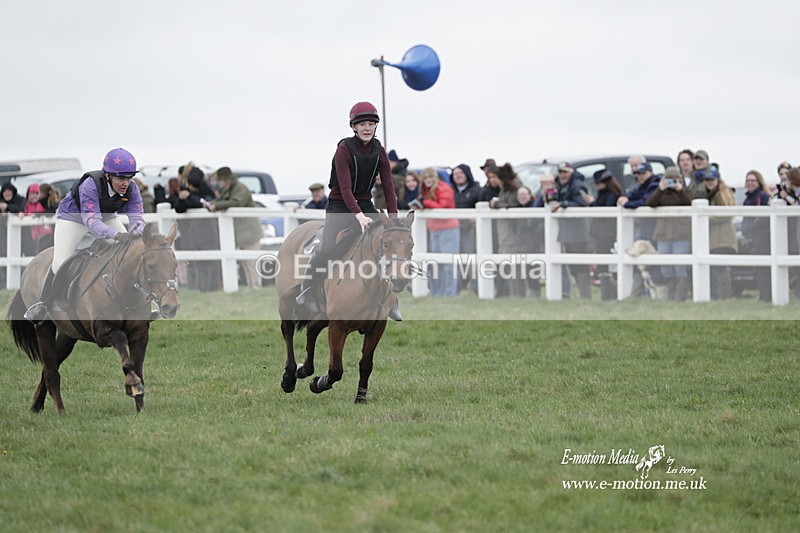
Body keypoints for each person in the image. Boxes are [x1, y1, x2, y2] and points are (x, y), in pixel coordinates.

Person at [296, 101, 402, 320]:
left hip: (365, 203)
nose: (367, 128)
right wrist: (359, 217)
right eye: (362, 124)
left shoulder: (379, 150)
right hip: (340, 205)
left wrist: (393, 218)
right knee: (326, 248)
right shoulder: (343, 149)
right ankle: (308, 291)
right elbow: (344, 189)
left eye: (371, 124)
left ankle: (392, 300)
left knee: (387, 244)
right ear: (353, 127)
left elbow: (389, 187)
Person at [24, 147, 146, 322]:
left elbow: (138, 219)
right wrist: (118, 236)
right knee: (60, 262)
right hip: (72, 219)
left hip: (105, 217)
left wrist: (135, 234)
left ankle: (135, 304)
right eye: (120, 178)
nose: (125, 183)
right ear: (108, 176)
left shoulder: (132, 189)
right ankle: (41, 305)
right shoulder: (90, 185)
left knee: (128, 253)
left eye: (129, 177)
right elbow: (94, 225)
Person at [205, 167, 263, 290]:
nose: (219, 184)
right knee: (245, 263)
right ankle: (251, 285)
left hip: (250, 231)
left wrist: (216, 206)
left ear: (226, 180)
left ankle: (256, 286)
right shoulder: (230, 189)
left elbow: (236, 203)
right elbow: (224, 201)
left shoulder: (240, 188)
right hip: (242, 232)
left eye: (220, 181)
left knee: (251, 262)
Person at [647, 166, 692, 300]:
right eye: (669, 179)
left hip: (681, 234)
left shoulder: (685, 192)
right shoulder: (661, 193)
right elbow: (650, 203)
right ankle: (670, 295)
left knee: (680, 266)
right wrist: (660, 189)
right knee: (665, 265)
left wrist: (680, 190)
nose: (671, 182)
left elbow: (690, 204)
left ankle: (680, 297)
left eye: (674, 179)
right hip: (663, 234)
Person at [692, 167, 737, 299]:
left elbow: (727, 214)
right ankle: (716, 295)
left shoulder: (723, 193)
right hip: (712, 237)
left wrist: (705, 217)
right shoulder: (708, 194)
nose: (709, 182)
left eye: (712, 180)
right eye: (707, 180)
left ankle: (724, 296)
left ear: (718, 180)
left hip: (723, 237)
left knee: (721, 268)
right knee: (714, 268)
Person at [552, 163, 592, 299]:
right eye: (560, 172)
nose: (562, 175)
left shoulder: (577, 185)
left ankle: (585, 295)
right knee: (572, 265)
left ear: (571, 173)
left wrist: (563, 204)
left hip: (578, 232)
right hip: (567, 232)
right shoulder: (560, 185)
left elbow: (582, 203)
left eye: (565, 172)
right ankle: (581, 294)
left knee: (580, 265)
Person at [418, 167, 459, 297]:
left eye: (430, 177)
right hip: (434, 229)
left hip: (448, 229)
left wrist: (425, 202)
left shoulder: (444, 188)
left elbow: (443, 206)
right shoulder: (426, 191)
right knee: (436, 263)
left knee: (448, 263)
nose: (428, 180)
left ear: (435, 178)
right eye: (425, 178)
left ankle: (450, 293)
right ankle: (438, 293)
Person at [490, 163, 525, 297]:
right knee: (509, 265)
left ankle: (518, 294)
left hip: (513, 234)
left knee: (514, 265)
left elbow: (514, 207)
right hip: (505, 234)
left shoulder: (513, 188)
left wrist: (497, 204)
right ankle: (513, 293)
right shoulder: (505, 188)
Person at [741, 170, 772, 302]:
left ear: (758, 181)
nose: (750, 183)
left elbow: (762, 218)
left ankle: (766, 296)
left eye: (753, 180)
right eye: (748, 180)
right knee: (758, 268)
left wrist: (751, 228)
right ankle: (763, 295)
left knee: (764, 268)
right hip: (752, 238)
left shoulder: (762, 196)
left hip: (762, 237)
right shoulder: (748, 198)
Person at [450, 164, 481, 293]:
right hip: (454, 229)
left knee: (471, 259)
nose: (458, 176)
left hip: (470, 230)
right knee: (454, 259)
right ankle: (456, 287)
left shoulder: (476, 189)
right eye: (455, 173)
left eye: (460, 173)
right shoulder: (450, 190)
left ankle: (476, 287)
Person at [589, 169, 622, 283]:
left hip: (607, 232)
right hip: (603, 231)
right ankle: (605, 282)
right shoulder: (605, 193)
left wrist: (592, 203)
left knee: (604, 257)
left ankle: (607, 283)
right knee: (602, 257)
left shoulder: (611, 194)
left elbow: (605, 210)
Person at [618, 162, 660, 243]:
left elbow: (645, 202)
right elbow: (632, 194)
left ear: (650, 172)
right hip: (644, 224)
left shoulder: (654, 184)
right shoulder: (641, 185)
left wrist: (626, 204)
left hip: (653, 225)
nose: (640, 176)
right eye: (638, 174)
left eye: (643, 173)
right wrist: (625, 198)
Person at [22, 183, 53, 256]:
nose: (33, 196)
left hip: (45, 234)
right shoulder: (26, 206)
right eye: (31, 194)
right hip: (31, 236)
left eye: (35, 194)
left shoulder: (42, 204)